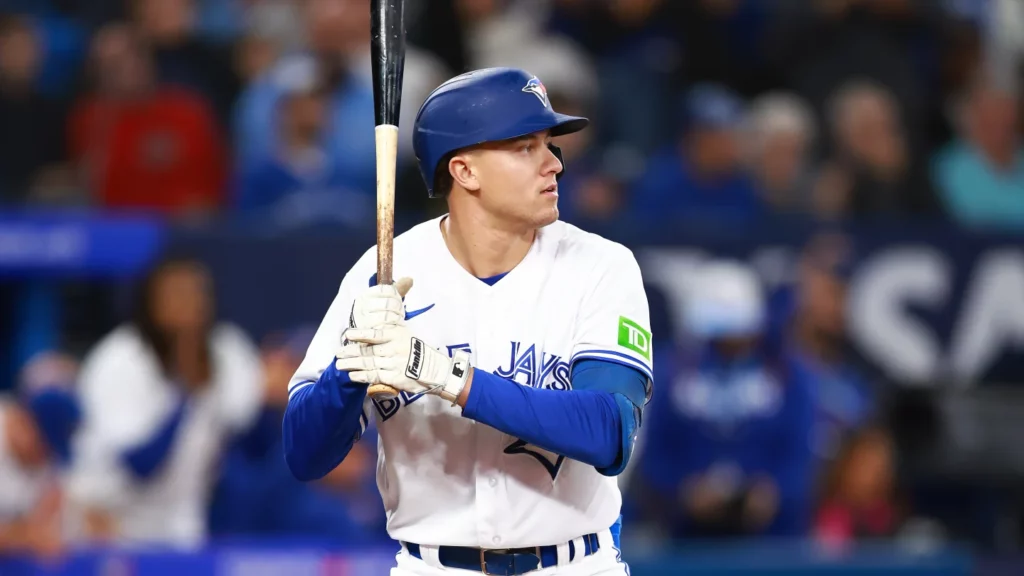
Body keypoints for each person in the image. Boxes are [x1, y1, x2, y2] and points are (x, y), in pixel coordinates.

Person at [283, 67, 653, 576]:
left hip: (571, 565)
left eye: (551, 144)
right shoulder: (384, 271)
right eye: (526, 147)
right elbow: (304, 455)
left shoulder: (600, 266)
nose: (554, 165)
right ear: (465, 172)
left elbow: (609, 432)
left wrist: (443, 375)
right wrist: (349, 369)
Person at [65, 255, 265, 549]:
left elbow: (250, 440)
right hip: (110, 522)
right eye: (175, 294)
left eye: (196, 293)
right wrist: (185, 395)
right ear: (150, 301)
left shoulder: (227, 350)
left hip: (182, 520)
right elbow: (140, 466)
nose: (188, 304)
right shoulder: (119, 359)